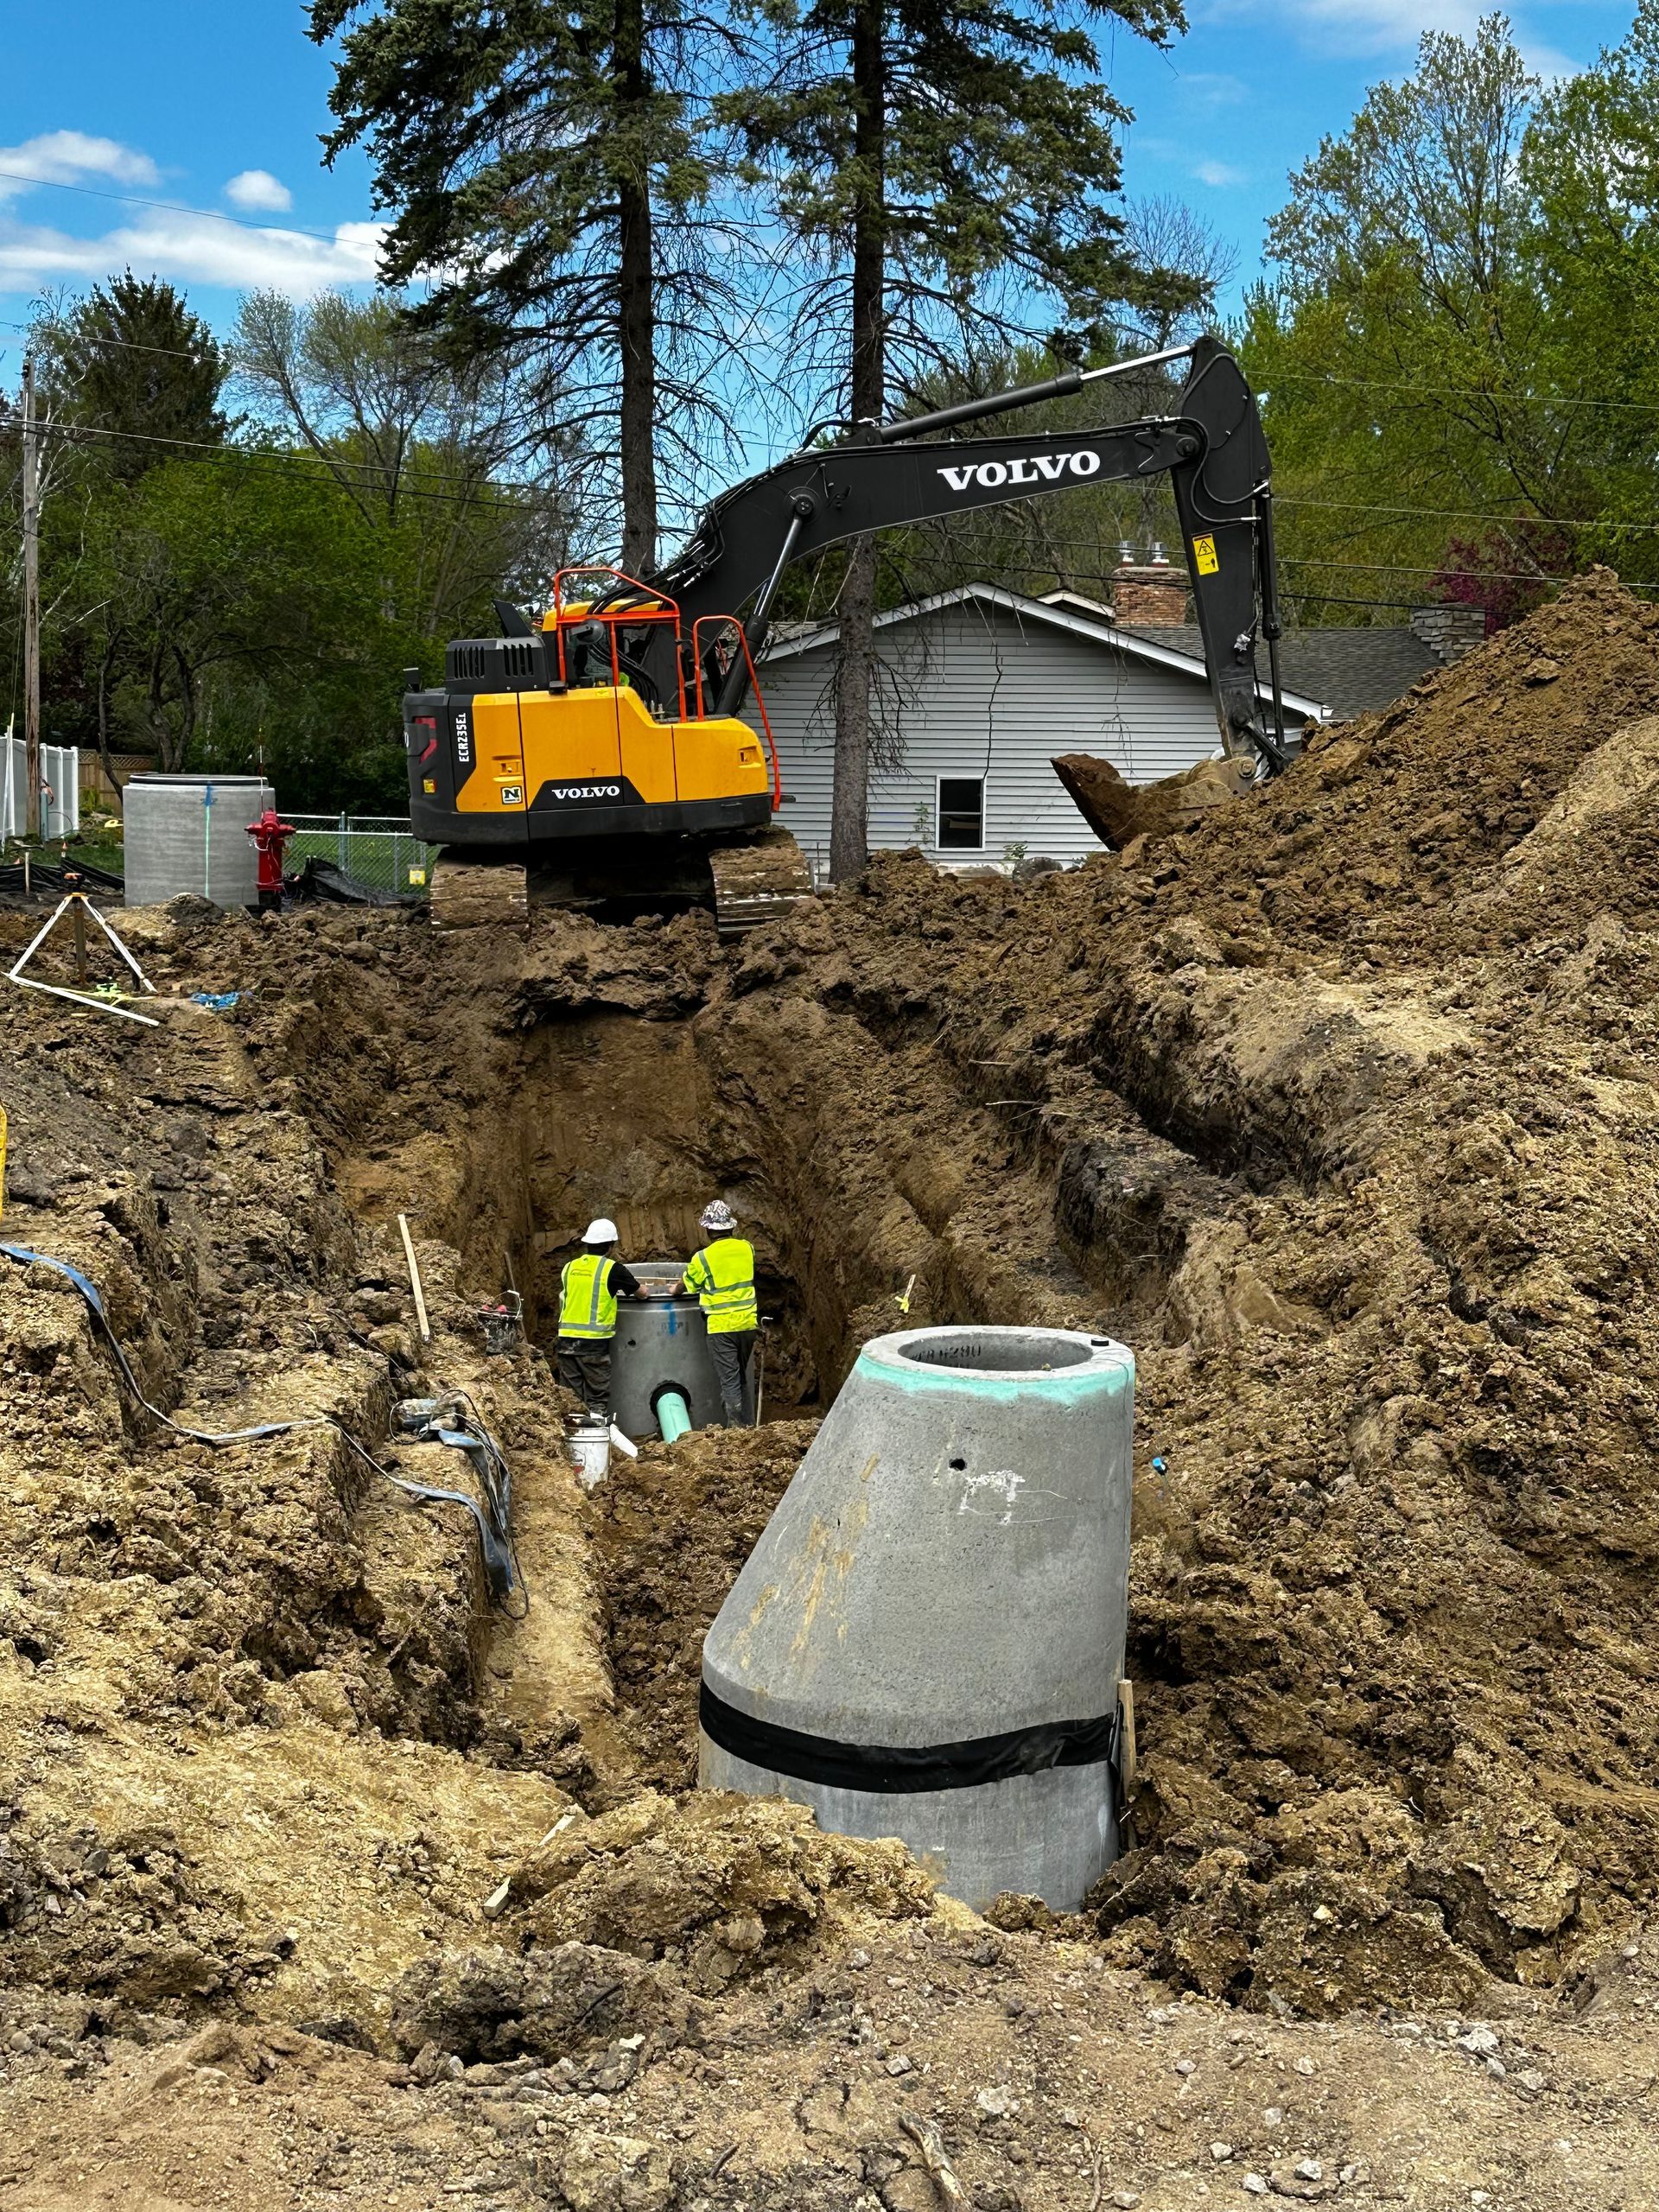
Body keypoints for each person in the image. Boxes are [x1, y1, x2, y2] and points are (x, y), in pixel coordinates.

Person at [677, 1199, 759, 1427]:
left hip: (721, 1328)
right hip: (748, 1324)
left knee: (730, 1380)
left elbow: (687, 1284)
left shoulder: (703, 1257)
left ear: (708, 1229)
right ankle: (748, 1426)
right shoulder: (747, 1248)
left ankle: (735, 1429)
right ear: (731, 1227)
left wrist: (674, 1289)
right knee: (740, 1376)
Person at [556, 1217, 644, 1421]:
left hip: (566, 1341)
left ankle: (574, 1440)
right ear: (611, 1246)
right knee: (597, 1397)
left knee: (571, 1398)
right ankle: (597, 1438)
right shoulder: (612, 1269)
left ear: (588, 1243)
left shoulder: (569, 1267)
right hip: (593, 1344)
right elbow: (642, 1293)